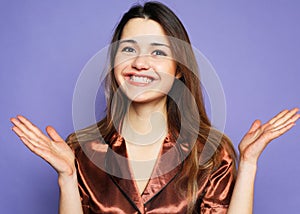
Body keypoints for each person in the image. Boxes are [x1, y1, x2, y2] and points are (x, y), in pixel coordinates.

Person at [10, 1, 299, 214]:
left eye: (158, 51)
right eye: (129, 49)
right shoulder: (79, 151)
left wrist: (247, 165)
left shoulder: (209, 154)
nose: (140, 62)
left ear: (178, 69)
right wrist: (67, 178)